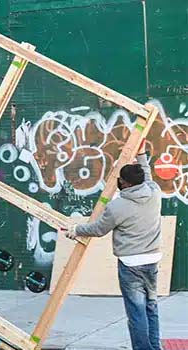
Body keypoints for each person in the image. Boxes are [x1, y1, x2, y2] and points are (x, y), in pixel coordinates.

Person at [62, 141, 161, 350]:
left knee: (136, 312)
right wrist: (141, 154)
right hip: (152, 260)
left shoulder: (117, 206)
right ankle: (154, 347)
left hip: (131, 263)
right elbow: (148, 176)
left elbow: (98, 229)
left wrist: (76, 230)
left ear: (124, 184)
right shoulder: (154, 193)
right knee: (151, 307)